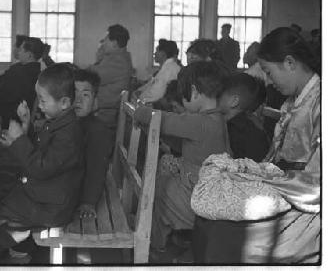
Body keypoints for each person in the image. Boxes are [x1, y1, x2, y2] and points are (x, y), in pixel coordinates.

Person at [193, 27, 320, 263]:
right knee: (210, 211)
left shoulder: (321, 103)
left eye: (270, 73)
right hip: (287, 185)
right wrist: (251, 174)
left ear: (290, 63)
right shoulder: (292, 102)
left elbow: (318, 182)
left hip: (308, 204)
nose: (269, 82)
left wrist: (264, 183)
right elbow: (274, 158)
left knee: (224, 232)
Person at [0, 64, 84, 263]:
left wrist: (19, 140)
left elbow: (41, 167)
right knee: (1, 198)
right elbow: (40, 154)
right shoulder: (59, 122)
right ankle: (18, 250)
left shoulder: (69, 134)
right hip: (47, 195)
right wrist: (26, 127)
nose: (40, 104)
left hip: (51, 206)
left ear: (64, 102)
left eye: (43, 100)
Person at [133, 61, 231, 258]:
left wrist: (140, 111)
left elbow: (165, 120)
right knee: (167, 166)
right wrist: (156, 132)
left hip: (198, 190)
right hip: (204, 184)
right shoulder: (216, 119)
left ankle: (154, 244)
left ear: (194, 92)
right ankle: (171, 236)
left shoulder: (200, 121)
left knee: (158, 188)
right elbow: (185, 146)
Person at [73, 69, 114, 218]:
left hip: (79, 194)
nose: (78, 100)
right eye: (74, 93)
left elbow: (97, 169)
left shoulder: (98, 131)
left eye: (85, 95)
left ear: (95, 100)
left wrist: (88, 202)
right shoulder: (67, 123)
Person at [0, 36, 43, 128]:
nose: (18, 52)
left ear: (29, 55)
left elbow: (3, 95)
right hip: (21, 112)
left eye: (21, 50)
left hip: (13, 117)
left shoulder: (20, 73)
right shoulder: (37, 71)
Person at [88, 24, 133, 128]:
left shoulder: (119, 61)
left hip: (104, 113)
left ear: (114, 43)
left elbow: (92, 77)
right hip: (102, 107)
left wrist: (98, 58)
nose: (103, 43)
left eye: (106, 39)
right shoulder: (118, 58)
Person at [217, 73, 270, 162]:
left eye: (219, 95)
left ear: (234, 101)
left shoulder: (237, 131)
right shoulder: (252, 127)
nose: (214, 98)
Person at [135, 39, 181, 104]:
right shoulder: (167, 67)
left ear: (163, 53)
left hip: (158, 106)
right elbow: (150, 85)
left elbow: (156, 95)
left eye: (157, 51)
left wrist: (139, 97)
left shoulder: (169, 69)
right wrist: (139, 91)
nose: (154, 53)